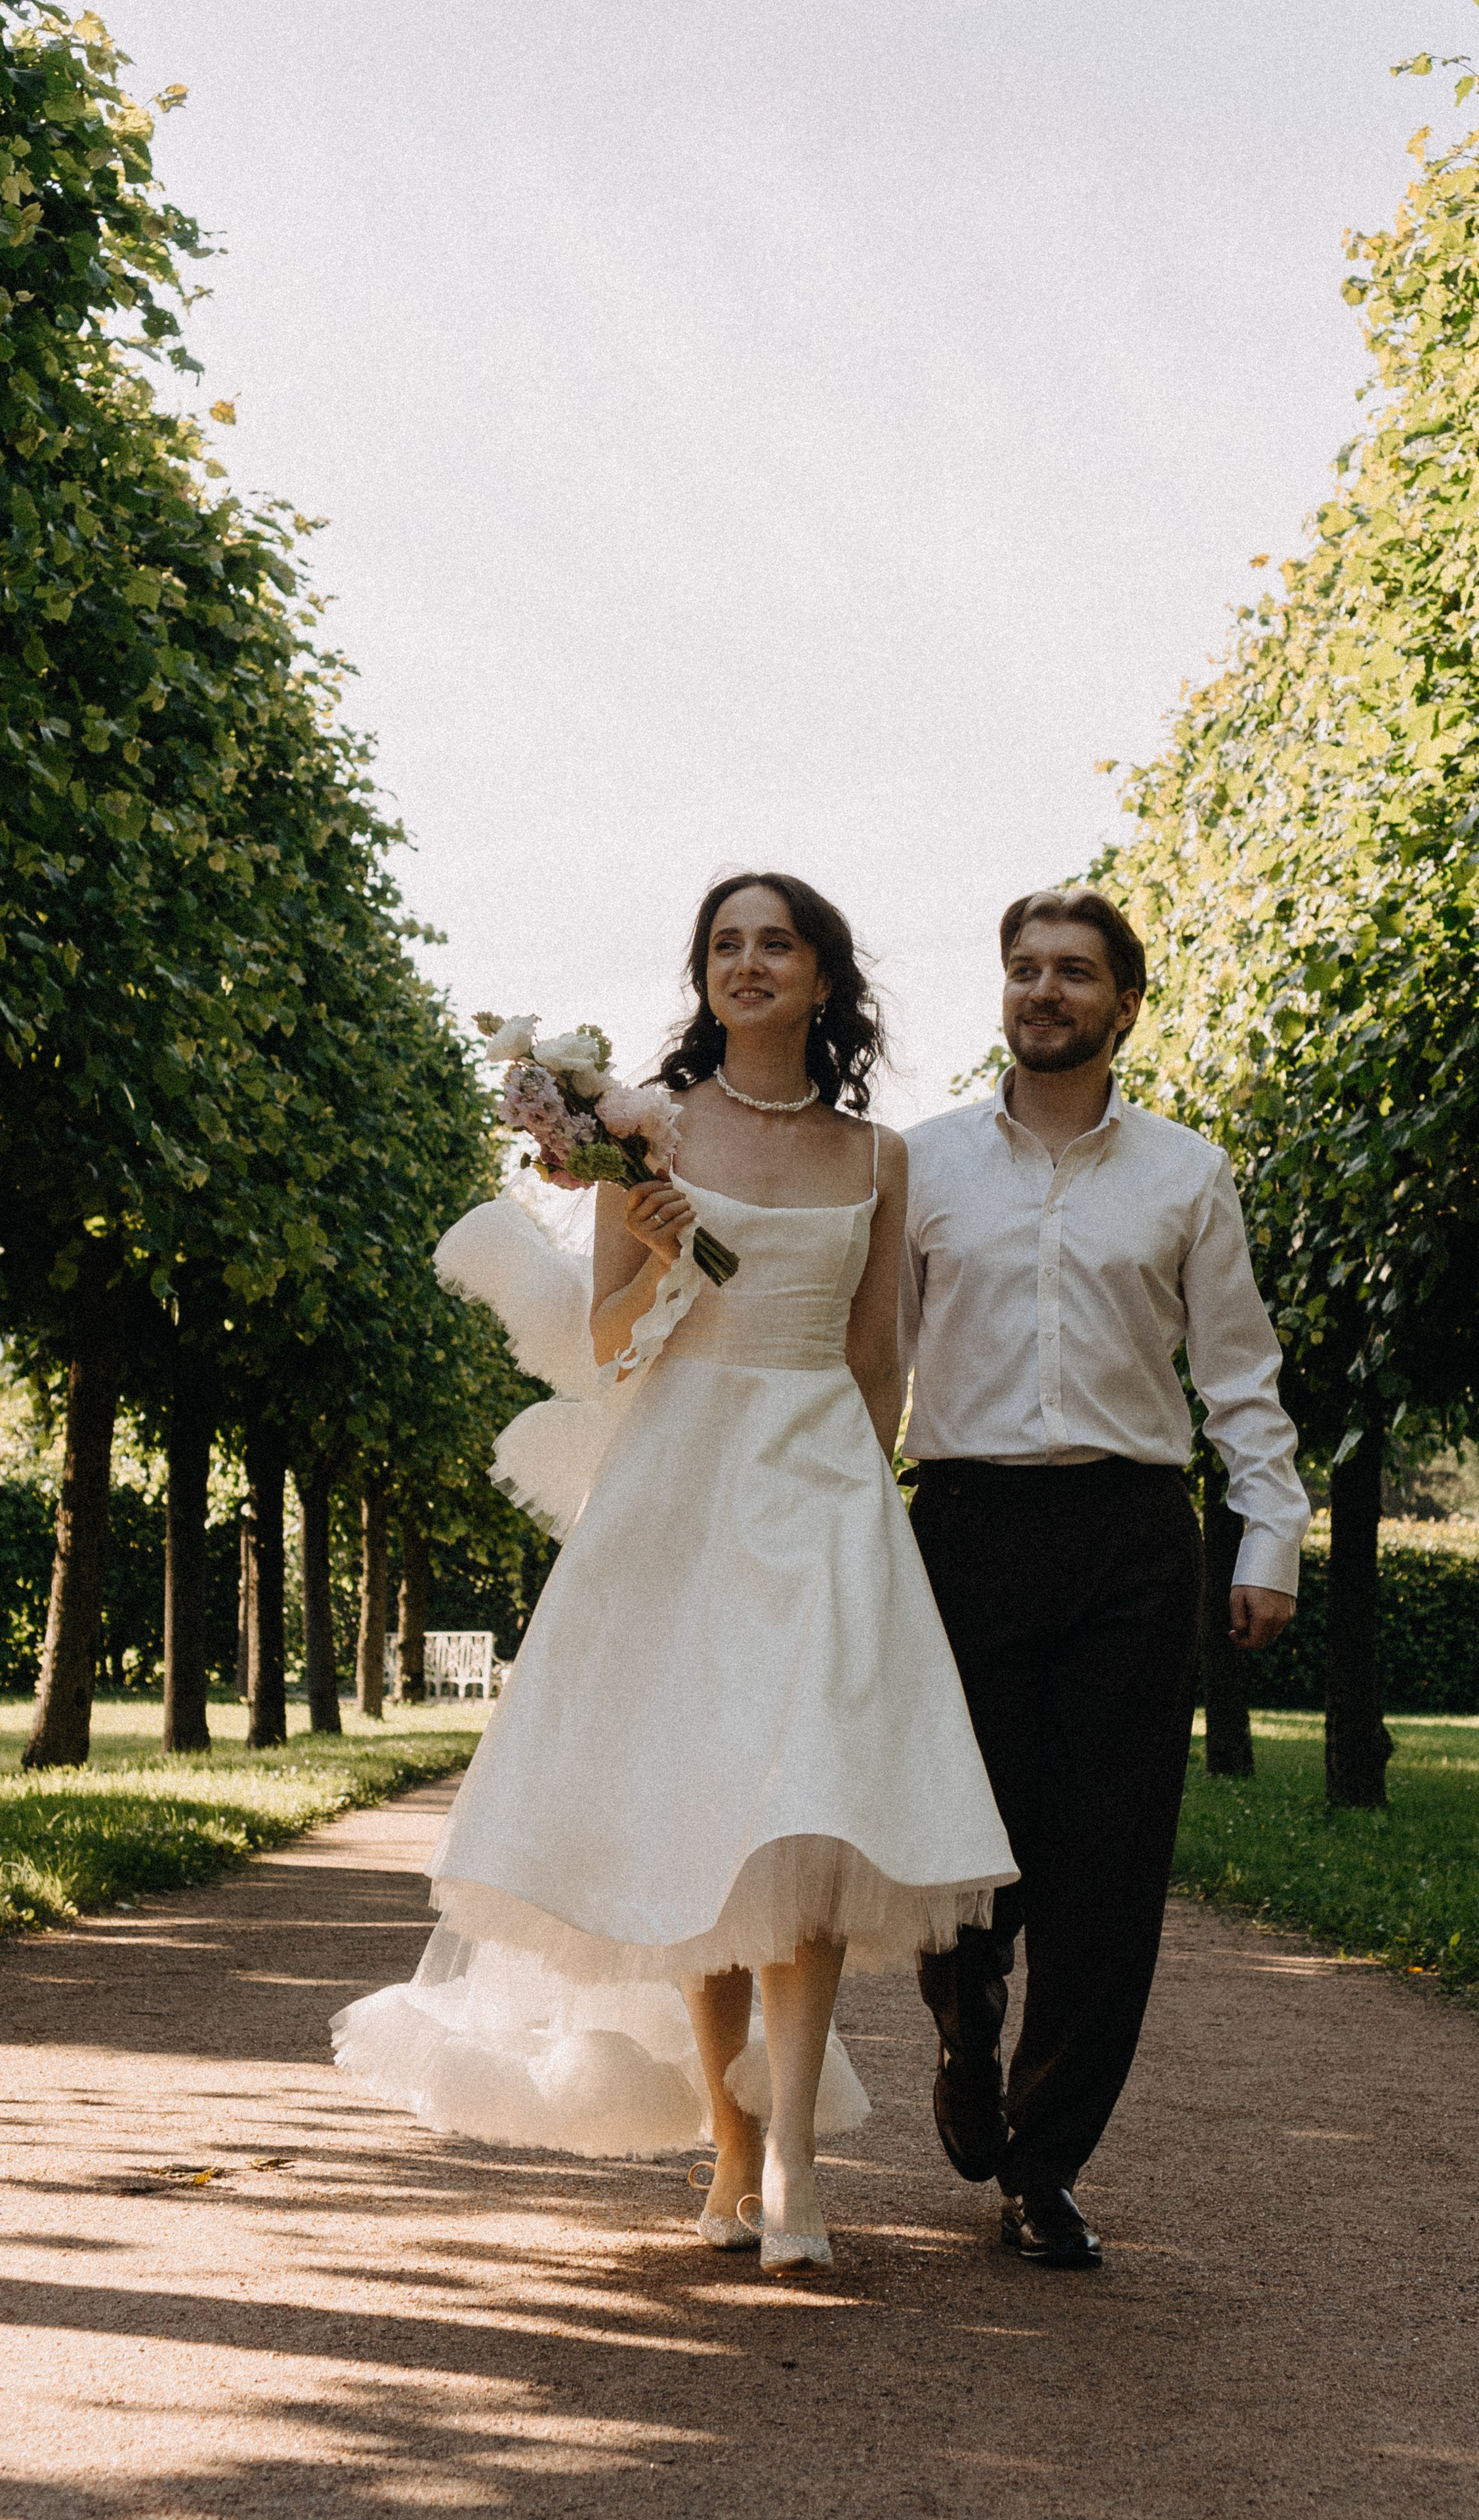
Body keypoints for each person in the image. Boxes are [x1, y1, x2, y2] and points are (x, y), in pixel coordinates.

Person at [333, 875, 1015, 2275]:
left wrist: (863, 1505)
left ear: (824, 978)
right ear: (700, 975)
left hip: (821, 1494)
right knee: (701, 1811)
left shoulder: (881, 1159)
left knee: (811, 1815)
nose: (747, 965)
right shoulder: (640, 1133)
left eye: (776, 944)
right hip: (682, 1485)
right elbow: (601, 1347)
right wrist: (648, 1263)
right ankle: (730, 2145)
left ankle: (804, 2174)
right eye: (725, 946)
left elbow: (879, 1359)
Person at [900, 887, 1309, 2269]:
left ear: (1124, 1003)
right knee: (959, 1844)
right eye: (1022, 969)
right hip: (957, 1528)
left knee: (1106, 1863)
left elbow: (1241, 1379)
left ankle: (1045, 2160)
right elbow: (867, 1365)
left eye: (1073, 973)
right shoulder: (923, 1166)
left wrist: (1269, 1544)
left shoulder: (1185, 1176)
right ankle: (964, 2021)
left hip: (1131, 1537)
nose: (1042, 992)